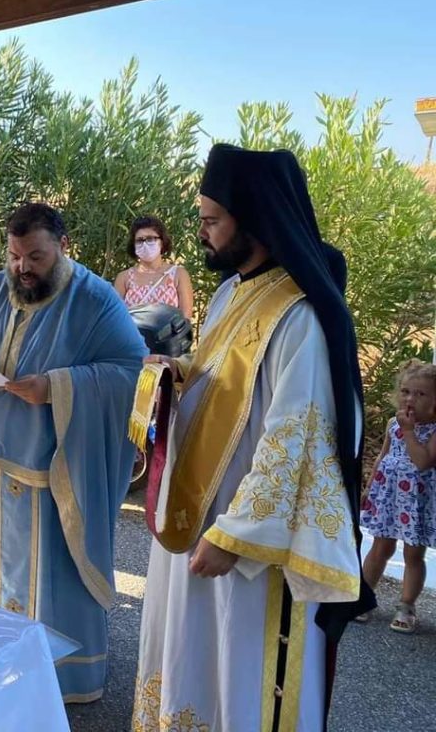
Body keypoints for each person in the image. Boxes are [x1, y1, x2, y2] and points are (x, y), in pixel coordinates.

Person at [133, 145, 374, 731]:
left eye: (212, 220)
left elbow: (298, 438)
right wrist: (169, 375)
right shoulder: (231, 292)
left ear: (256, 219)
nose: (202, 232)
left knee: (241, 670)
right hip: (195, 513)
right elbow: (215, 376)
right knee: (191, 658)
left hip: (244, 552)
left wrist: (235, 537)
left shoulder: (299, 316)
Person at [0, 202, 146, 702]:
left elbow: (132, 371)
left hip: (49, 484)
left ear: (62, 248)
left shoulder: (95, 302)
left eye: (36, 257)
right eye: (14, 255)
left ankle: (55, 683)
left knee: (44, 591)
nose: (22, 268)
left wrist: (58, 386)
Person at [359, 360, 436, 633]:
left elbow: (423, 461)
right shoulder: (394, 423)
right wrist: (370, 486)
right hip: (390, 496)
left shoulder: (431, 429)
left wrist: (410, 432)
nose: (411, 399)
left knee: (413, 554)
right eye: (406, 392)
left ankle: (406, 605)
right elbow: (383, 456)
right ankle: (364, 597)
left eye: (421, 394)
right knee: (380, 547)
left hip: (417, 502)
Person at [113, 215, 194, 320]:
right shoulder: (124, 278)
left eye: (151, 238)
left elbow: (185, 317)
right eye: (140, 240)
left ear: (162, 241)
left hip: (170, 336)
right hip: (132, 336)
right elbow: (116, 317)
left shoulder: (178, 275)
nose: (145, 244)